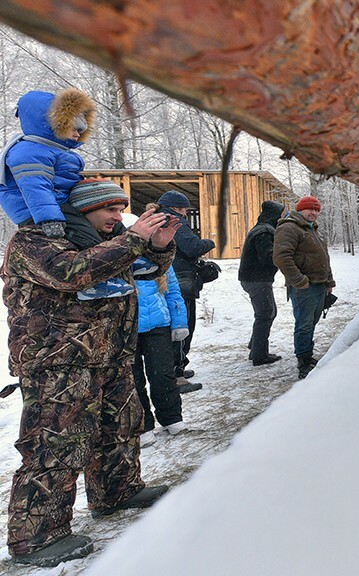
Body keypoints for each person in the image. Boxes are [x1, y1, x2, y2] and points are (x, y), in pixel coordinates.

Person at [2, 181, 178, 567]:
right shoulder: (35, 240)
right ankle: (37, 537)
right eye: (110, 211)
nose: (118, 218)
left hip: (111, 354)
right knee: (57, 443)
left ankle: (117, 492)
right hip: (59, 362)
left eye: (121, 211)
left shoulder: (113, 238)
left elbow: (145, 269)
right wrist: (133, 239)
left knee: (120, 426)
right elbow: (73, 272)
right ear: (84, 209)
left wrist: (160, 245)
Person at [0, 88, 135, 299]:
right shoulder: (28, 151)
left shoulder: (53, 150)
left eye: (81, 129)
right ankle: (92, 284)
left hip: (58, 203)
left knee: (112, 227)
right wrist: (50, 218)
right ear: (51, 124)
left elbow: (66, 181)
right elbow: (36, 188)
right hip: (38, 209)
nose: (77, 134)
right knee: (85, 234)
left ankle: (133, 258)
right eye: (73, 128)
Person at [133, 203, 191, 447]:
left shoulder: (157, 258)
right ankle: (143, 425)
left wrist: (179, 322)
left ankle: (171, 417)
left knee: (163, 374)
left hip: (158, 325)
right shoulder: (118, 258)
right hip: (128, 328)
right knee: (133, 379)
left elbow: (173, 291)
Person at [156, 190, 215, 383]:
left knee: (173, 327)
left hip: (166, 280)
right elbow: (192, 247)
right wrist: (208, 242)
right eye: (184, 209)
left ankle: (176, 368)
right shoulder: (174, 222)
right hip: (179, 282)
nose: (185, 213)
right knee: (182, 326)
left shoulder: (156, 219)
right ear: (175, 208)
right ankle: (177, 373)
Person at [273, 195, 335, 379]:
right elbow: (281, 257)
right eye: (310, 209)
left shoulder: (312, 229)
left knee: (312, 322)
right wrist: (299, 280)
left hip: (319, 285)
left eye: (317, 210)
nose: (314, 213)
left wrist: (329, 281)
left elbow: (324, 258)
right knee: (304, 324)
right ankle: (303, 361)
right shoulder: (289, 227)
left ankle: (308, 354)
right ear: (300, 209)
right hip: (304, 287)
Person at [239, 200, 285, 366]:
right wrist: (284, 254)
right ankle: (259, 355)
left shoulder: (262, 228)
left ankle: (255, 346)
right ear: (273, 215)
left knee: (269, 312)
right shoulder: (265, 232)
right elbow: (267, 257)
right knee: (265, 314)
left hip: (255, 278)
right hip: (256, 279)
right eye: (280, 214)